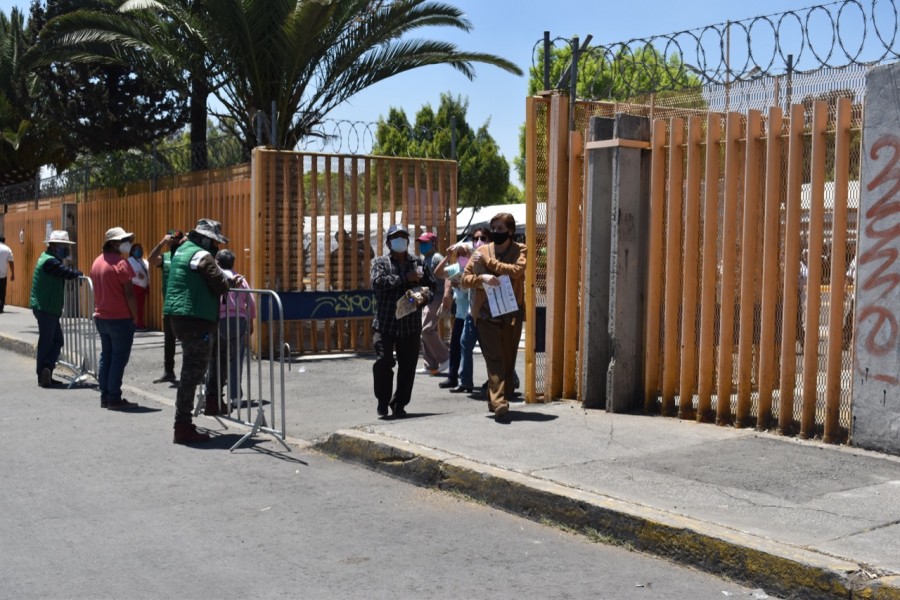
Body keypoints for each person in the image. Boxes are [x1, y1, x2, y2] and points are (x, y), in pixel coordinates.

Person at [164, 219, 242, 444]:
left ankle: (213, 399)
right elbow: (220, 285)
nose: (217, 248)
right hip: (195, 319)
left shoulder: (181, 251)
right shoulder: (201, 255)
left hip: (182, 317)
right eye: (215, 243)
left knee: (220, 348)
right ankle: (183, 425)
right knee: (192, 373)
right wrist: (231, 283)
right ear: (207, 239)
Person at [462, 213, 527, 420]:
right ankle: (500, 402)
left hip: (511, 312)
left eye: (501, 229)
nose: (497, 232)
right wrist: (482, 278)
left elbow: (516, 271)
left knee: (508, 358)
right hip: (485, 314)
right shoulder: (480, 251)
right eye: (494, 228)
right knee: (494, 357)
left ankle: (497, 398)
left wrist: (490, 263)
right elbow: (465, 279)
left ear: (510, 231)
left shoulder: (520, 250)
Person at [371, 224, 436, 418]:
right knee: (384, 361)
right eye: (396, 237)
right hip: (386, 324)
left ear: (407, 241)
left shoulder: (418, 263)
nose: (400, 240)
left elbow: (432, 286)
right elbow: (377, 283)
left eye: (403, 237)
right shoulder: (380, 262)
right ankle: (382, 401)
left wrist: (425, 297)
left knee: (407, 367)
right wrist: (404, 278)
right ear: (389, 242)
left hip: (410, 325)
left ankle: (399, 403)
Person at [91, 227, 140, 410]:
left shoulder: (97, 262)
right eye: (123, 240)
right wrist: (135, 317)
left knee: (107, 356)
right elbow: (130, 294)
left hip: (102, 317)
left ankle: (105, 396)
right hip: (120, 318)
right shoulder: (121, 264)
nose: (126, 243)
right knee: (118, 358)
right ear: (113, 243)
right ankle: (114, 397)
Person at [30, 230, 82, 387]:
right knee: (47, 341)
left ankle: (47, 370)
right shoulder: (50, 262)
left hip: (48, 307)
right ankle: (43, 373)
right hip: (46, 307)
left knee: (57, 340)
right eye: (62, 245)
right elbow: (65, 272)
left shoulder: (50, 259)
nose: (65, 249)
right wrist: (77, 273)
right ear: (53, 246)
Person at [205, 249, 256, 410]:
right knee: (236, 360)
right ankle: (235, 397)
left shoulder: (216, 278)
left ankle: (211, 393)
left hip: (220, 320)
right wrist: (251, 320)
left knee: (215, 358)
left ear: (217, 262)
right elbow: (251, 301)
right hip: (239, 320)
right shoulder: (240, 278)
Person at [434, 241, 474, 391]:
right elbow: (438, 273)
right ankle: (453, 377)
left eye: (465, 253)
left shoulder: (474, 268)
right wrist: (447, 257)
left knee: (479, 347)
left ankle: (468, 380)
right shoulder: (456, 268)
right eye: (459, 254)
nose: (461, 256)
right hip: (460, 314)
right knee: (456, 346)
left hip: (473, 313)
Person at [148, 229, 185, 383]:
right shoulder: (166, 257)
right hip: (169, 304)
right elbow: (151, 259)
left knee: (186, 340)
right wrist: (161, 243)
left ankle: (190, 373)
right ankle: (168, 371)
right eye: (172, 239)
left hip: (184, 305)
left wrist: (187, 241)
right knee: (169, 340)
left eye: (177, 239)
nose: (174, 242)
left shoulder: (186, 255)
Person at [415, 231, 449, 375]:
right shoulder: (423, 259)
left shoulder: (437, 258)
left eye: (425, 242)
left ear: (433, 243)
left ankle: (446, 357)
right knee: (427, 331)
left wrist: (447, 296)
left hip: (437, 297)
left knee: (426, 330)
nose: (422, 245)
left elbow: (448, 276)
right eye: (420, 242)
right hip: (428, 298)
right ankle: (430, 365)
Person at [127, 242, 150, 330]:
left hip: (143, 287)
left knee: (140, 307)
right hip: (135, 286)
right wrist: (136, 275)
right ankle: (137, 324)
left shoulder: (144, 261)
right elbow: (128, 272)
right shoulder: (129, 261)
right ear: (132, 251)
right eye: (137, 250)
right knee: (137, 307)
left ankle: (139, 323)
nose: (139, 251)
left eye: (141, 249)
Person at [0, 235, 14, 313]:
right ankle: (1, 307)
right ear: (4, 241)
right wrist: (13, 274)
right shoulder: (7, 249)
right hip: (3, 274)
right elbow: (11, 262)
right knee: (2, 291)